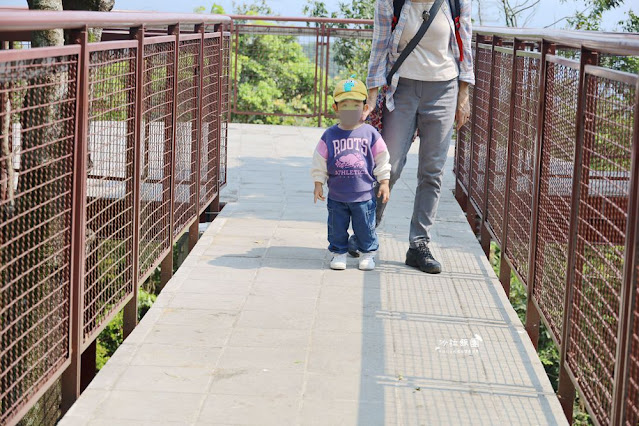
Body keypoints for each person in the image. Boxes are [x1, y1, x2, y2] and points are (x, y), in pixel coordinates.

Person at [366, 0, 475, 274]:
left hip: (444, 89)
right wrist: (371, 93)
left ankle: (419, 244)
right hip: (401, 88)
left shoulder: (457, 2)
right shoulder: (391, 2)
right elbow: (379, 46)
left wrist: (464, 94)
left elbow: (465, 43)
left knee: (432, 171)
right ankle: (366, 231)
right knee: (388, 166)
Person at [312, 76, 392, 271]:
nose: (350, 109)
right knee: (336, 227)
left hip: (364, 195)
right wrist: (318, 183)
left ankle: (368, 254)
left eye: (355, 105)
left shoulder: (370, 134)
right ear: (336, 108)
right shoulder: (330, 135)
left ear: (365, 108)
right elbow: (319, 160)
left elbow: (382, 158)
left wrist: (384, 181)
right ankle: (338, 253)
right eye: (345, 105)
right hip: (337, 196)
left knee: (365, 227)